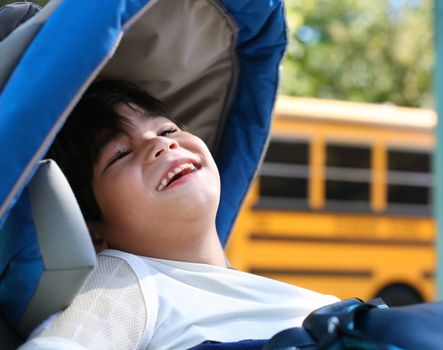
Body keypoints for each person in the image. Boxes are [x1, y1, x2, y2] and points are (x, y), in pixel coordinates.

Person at [20, 80, 340, 350]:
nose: (160, 144)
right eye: (121, 154)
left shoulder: (283, 295)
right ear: (92, 230)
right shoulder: (126, 280)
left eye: (168, 129)